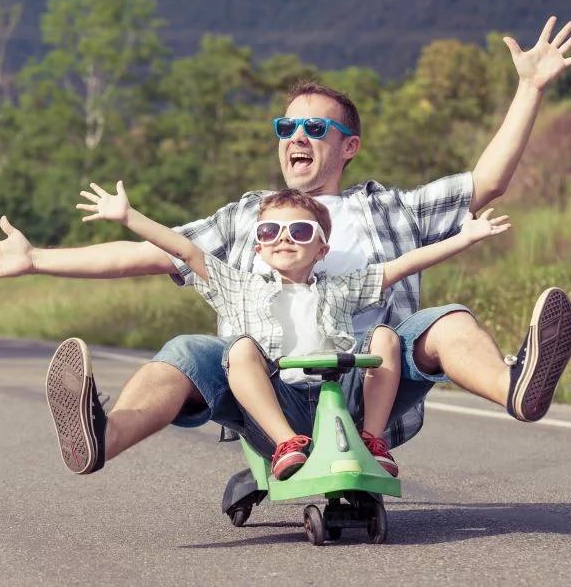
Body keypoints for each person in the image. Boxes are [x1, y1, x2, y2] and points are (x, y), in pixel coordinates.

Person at [0, 16, 571, 476]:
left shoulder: (389, 207)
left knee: (445, 320)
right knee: (188, 351)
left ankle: (516, 388)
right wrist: (37, 259)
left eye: (316, 126)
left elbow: (487, 182)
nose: (297, 135)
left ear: (348, 147)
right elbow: (155, 253)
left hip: (374, 390)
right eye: (287, 126)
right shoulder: (249, 217)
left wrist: (529, 88)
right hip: (268, 395)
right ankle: (100, 435)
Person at [74, 181, 510, 479]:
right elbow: (185, 250)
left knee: (384, 336)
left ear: (322, 248)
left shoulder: (340, 288)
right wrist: (129, 216)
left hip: (342, 401)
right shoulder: (238, 286)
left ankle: (373, 441)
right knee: (241, 350)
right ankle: (287, 446)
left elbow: (401, 266)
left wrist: (464, 238)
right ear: (259, 246)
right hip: (277, 407)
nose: (285, 238)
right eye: (271, 230)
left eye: (300, 231)